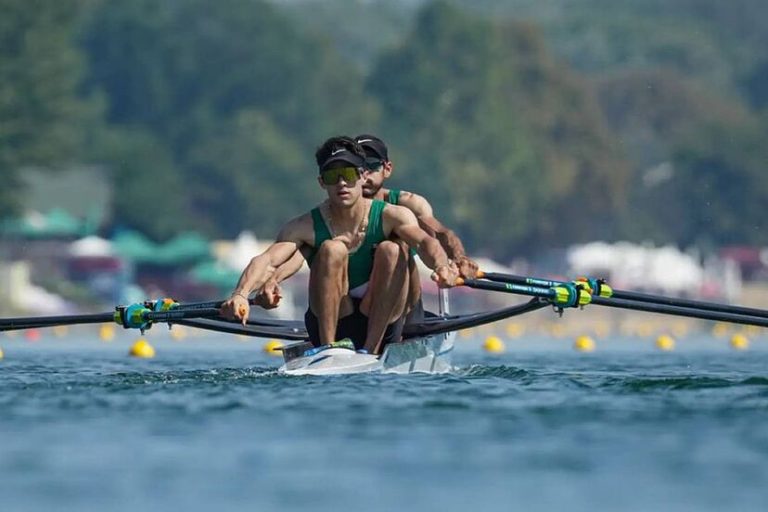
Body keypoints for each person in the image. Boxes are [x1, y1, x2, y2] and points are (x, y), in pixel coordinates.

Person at [220, 136, 458, 355]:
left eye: (348, 174)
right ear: (322, 182)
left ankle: (371, 350)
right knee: (332, 249)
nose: (342, 183)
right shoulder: (304, 226)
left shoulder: (393, 215)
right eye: (333, 176)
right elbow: (267, 260)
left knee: (392, 249)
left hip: (382, 322)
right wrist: (241, 294)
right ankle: (327, 348)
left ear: (362, 176)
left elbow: (425, 242)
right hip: (334, 321)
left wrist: (442, 267)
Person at [259, 134, 479, 320]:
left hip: (398, 304)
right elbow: (298, 254)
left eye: (371, 167)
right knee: (322, 249)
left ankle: (394, 332)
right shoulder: (326, 213)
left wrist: (457, 260)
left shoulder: (406, 205)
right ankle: (332, 336)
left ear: (387, 169)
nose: (362, 177)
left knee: (398, 245)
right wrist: (271, 281)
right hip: (344, 304)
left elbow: (439, 235)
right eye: (352, 169)